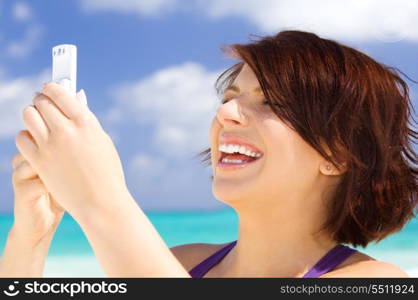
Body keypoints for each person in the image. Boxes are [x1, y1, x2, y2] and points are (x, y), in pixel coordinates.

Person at [1, 30, 416, 277]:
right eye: (230, 97)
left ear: (338, 154)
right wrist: (31, 236)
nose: (226, 112)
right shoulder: (179, 264)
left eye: (270, 103)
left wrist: (102, 201)